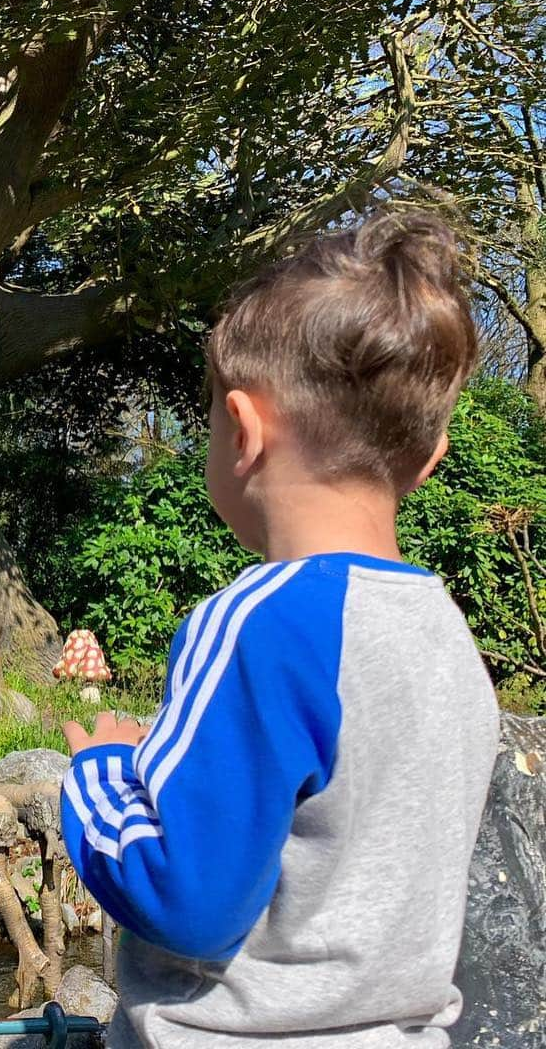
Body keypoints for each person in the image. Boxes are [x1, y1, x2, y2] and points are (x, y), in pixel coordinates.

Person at [60, 212, 500, 1048]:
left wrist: (99, 775)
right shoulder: (445, 635)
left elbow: (187, 903)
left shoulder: (256, 622)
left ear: (244, 431)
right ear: (432, 454)